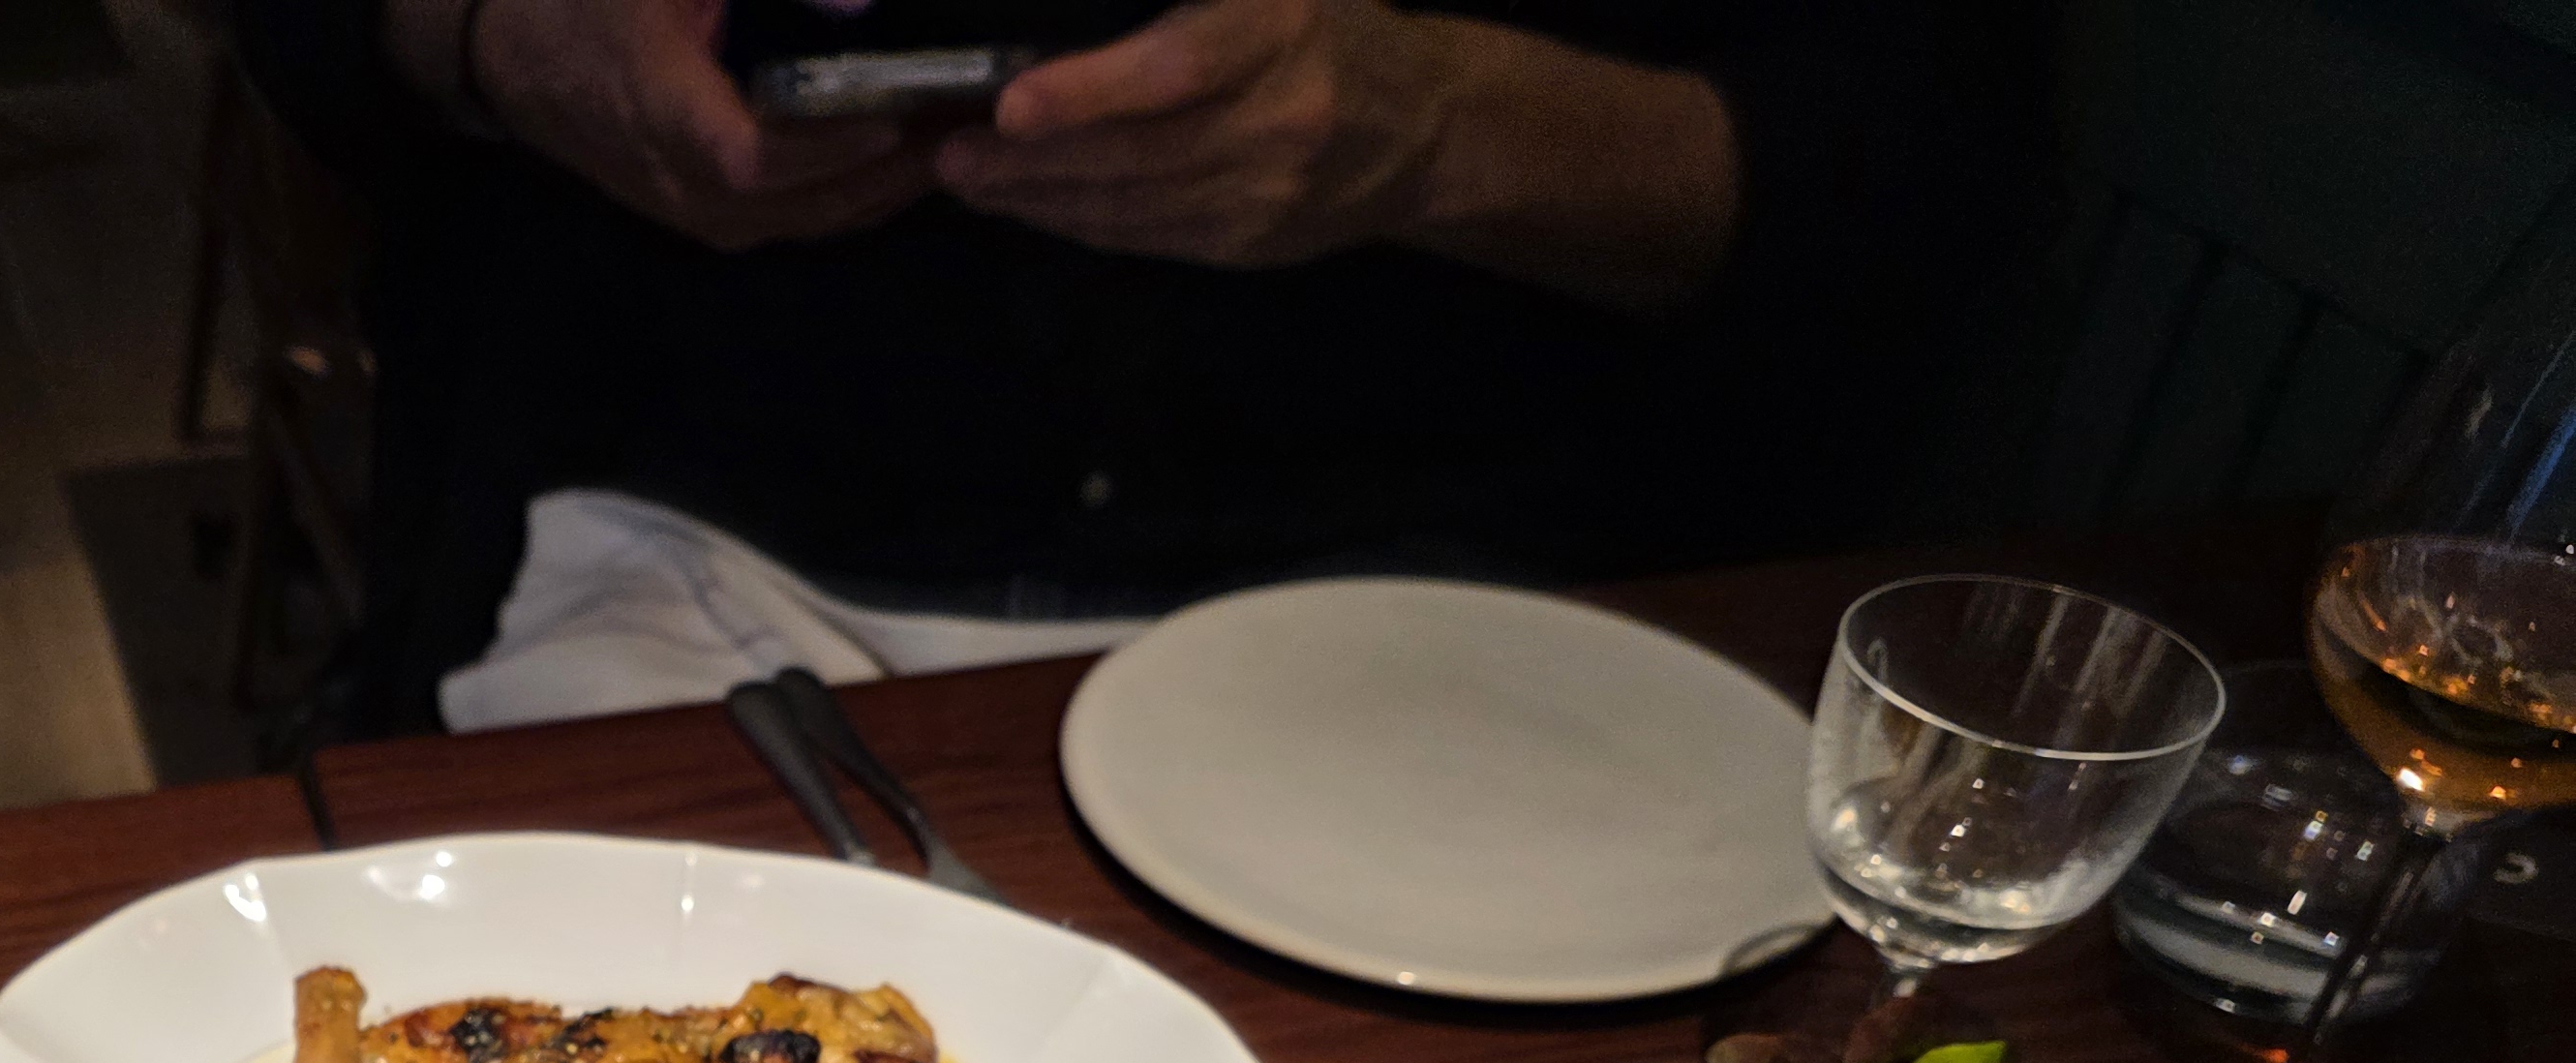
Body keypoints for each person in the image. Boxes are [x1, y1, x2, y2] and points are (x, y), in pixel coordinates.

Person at [240, 0, 2045, 731]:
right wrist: (492, 33)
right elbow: (303, 34)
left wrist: (1440, 133)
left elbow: (1906, 183)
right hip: (637, 544)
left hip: (1482, 639)